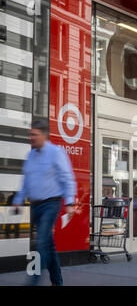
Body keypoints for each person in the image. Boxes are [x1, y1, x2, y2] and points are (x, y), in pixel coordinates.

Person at [12, 120, 76, 286]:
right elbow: (27, 180)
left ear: (44, 135)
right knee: (48, 244)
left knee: (40, 242)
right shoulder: (31, 155)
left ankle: (33, 281)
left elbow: (67, 177)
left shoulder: (56, 153)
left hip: (51, 203)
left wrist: (69, 202)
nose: (31, 137)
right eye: (30, 134)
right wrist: (19, 200)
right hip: (35, 205)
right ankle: (57, 282)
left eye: (34, 134)